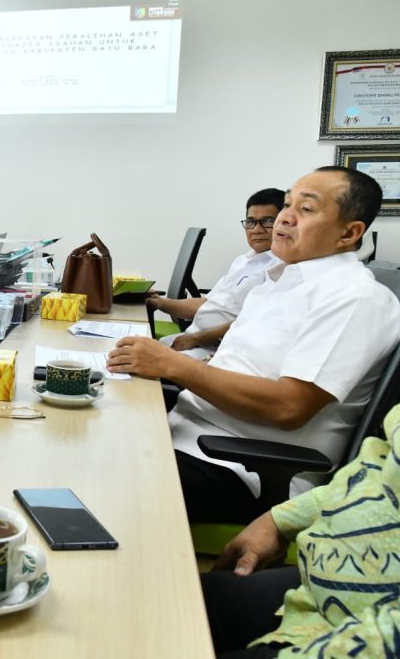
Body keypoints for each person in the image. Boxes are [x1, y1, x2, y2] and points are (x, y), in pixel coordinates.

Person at [108, 167, 400, 523]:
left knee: (87, 471)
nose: (285, 218)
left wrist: (174, 364)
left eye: (306, 210)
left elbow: (289, 407)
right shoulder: (279, 281)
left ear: (349, 232)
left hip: (242, 468)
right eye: (287, 204)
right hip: (188, 435)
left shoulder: (354, 297)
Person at [200, 404, 400, 658]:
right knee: (169, 605)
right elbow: (374, 469)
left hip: (370, 642)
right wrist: (279, 520)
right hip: (316, 595)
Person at [150, 188, 284, 359]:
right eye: (250, 222)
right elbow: (208, 303)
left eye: (267, 221)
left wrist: (195, 339)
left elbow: (252, 323)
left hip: (218, 350)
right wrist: (160, 303)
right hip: (193, 340)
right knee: (123, 349)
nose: (256, 230)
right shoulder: (243, 261)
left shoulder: (280, 269)